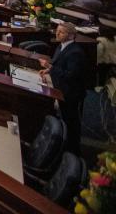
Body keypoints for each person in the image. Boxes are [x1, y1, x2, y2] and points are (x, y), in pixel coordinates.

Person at [40, 22, 86, 153]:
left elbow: (70, 75)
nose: (57, 33)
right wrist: (48, 71)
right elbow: (59, 66)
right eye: (57, 30)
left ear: (71, 35)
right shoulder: (61, 46)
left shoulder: (75, 52)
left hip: (71, 92)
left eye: (61, 32)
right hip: (60, 87)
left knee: (70, 121)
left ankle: (72, 149)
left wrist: (50, 68)